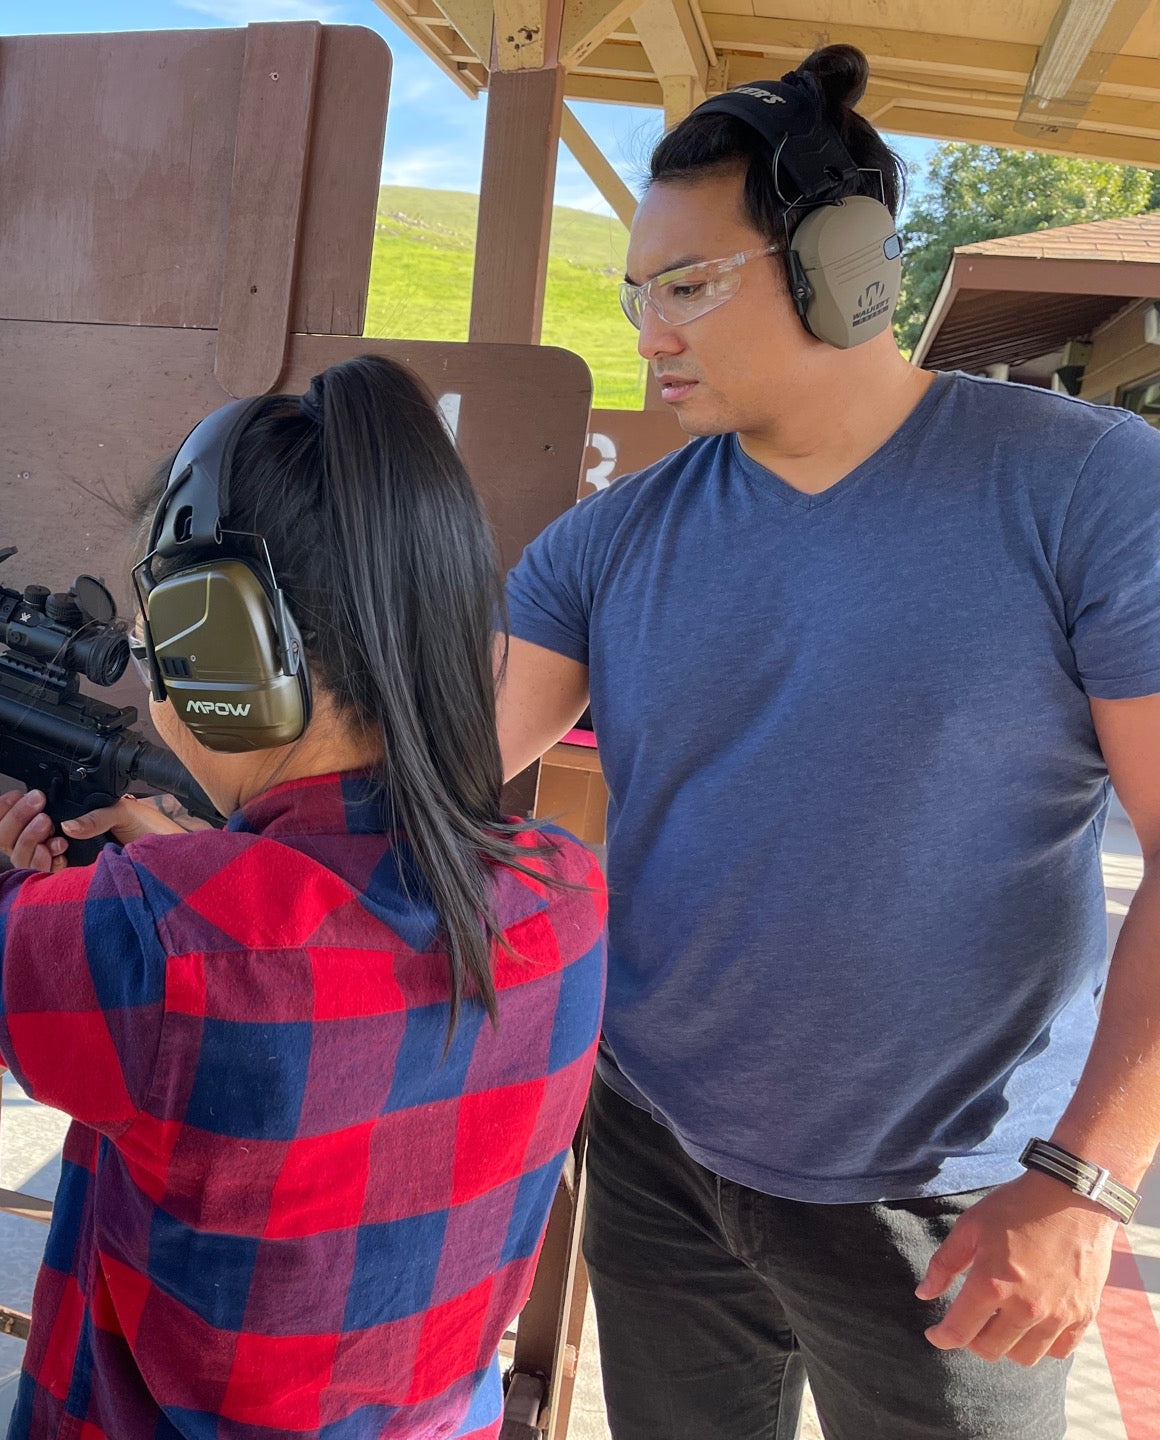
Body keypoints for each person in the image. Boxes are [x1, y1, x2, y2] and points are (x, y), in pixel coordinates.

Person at [486, 42, 1160, 1440]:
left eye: (687, 286)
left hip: (958, 1201)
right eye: (635, 294)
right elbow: (434, 761)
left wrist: (1087, 1177)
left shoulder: (1084, 492)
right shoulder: (608, 546)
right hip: (658, 1154)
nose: (647, 334)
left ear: (841, 265)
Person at [0, 355, 606, 1439]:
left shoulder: (173, 940)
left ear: (220, 652)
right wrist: (177, 867)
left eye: (156, 637)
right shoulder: (565, 894)